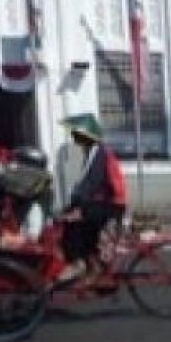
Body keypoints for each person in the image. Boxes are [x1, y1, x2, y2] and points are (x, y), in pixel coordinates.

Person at [57, 114, 127, 281]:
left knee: (73, 223)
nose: (74, 138)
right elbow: (86, 183)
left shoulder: (100, 154)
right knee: (73, 218)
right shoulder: (91, 152)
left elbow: (92, 183)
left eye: (77, 134)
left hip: (112, 203)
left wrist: (77, 205)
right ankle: (91, 263)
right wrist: (74, 202)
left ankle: (78, 262)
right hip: (103, 201)